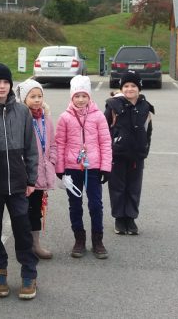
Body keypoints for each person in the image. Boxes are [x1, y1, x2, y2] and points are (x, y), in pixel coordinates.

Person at [0, 63, 39, 300]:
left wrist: (31, 178)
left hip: (18, 183)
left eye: (6, 82)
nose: (2, 86)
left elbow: (31, 148)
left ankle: (29, 273)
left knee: (23, 229)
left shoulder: (22, 112)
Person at [55, 75, 112, 259]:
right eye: (77, 96)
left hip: (93, 167)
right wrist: (60, 168)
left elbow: (105, 142)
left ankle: (98, 240)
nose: (80, 100)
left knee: (96, 204)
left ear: (89, 96)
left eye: (84, 96)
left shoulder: (98, 116)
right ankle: (79, 239)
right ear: (72, 97)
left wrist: (106, 167)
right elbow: (60, 143)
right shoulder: (65, 117)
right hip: (72, 168)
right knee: (75, 205)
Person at [104, 71, 154, 235]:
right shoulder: (113, 106)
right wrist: (108, 151)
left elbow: (148, 130)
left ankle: (130, 218)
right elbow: (104, 130)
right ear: (121, 88)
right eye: (126, 86)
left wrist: (145, 149)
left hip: (137, 156)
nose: (130, 89)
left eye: (133, 86)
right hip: (117, 155)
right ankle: (119, 218)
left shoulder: (145, 107)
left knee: (134, 187)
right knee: (117, 187)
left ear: (139, 88)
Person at [15, 79, 56, 259]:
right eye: (33, 96)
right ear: (24, 99)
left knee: (36, 211)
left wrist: (51, 161)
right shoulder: (20, 119)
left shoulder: (46, 119)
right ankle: (24, 245)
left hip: (42, 173)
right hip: (25, 174)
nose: (37, 100)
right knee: (22, 211)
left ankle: (35, 244)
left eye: (40, 96)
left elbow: (53, 144)